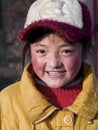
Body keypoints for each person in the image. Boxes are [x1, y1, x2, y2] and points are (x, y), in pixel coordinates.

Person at [0, 0, 98, 129]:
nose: (54, 63)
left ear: (84, 51)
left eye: (66, 51)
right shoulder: (7, 102)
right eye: (41, 51)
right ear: (30, 50)